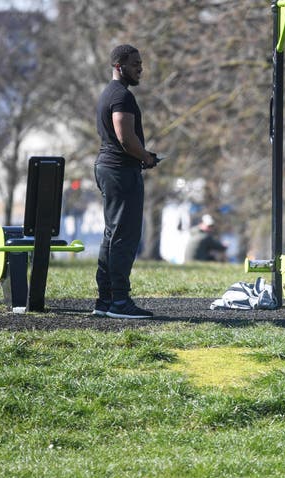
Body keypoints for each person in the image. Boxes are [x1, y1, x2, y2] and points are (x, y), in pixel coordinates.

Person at [92, 44, 159, 319]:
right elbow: (125, 137)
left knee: (112, 235)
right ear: (119, 67)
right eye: (135, 64)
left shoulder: (110, 93)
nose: (140, 68)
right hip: (120, 171)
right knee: (124, 237)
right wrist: (146, 157)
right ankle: (120, 302)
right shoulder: (121, 96)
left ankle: (105, 300)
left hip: (110, 168)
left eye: (141, 63)